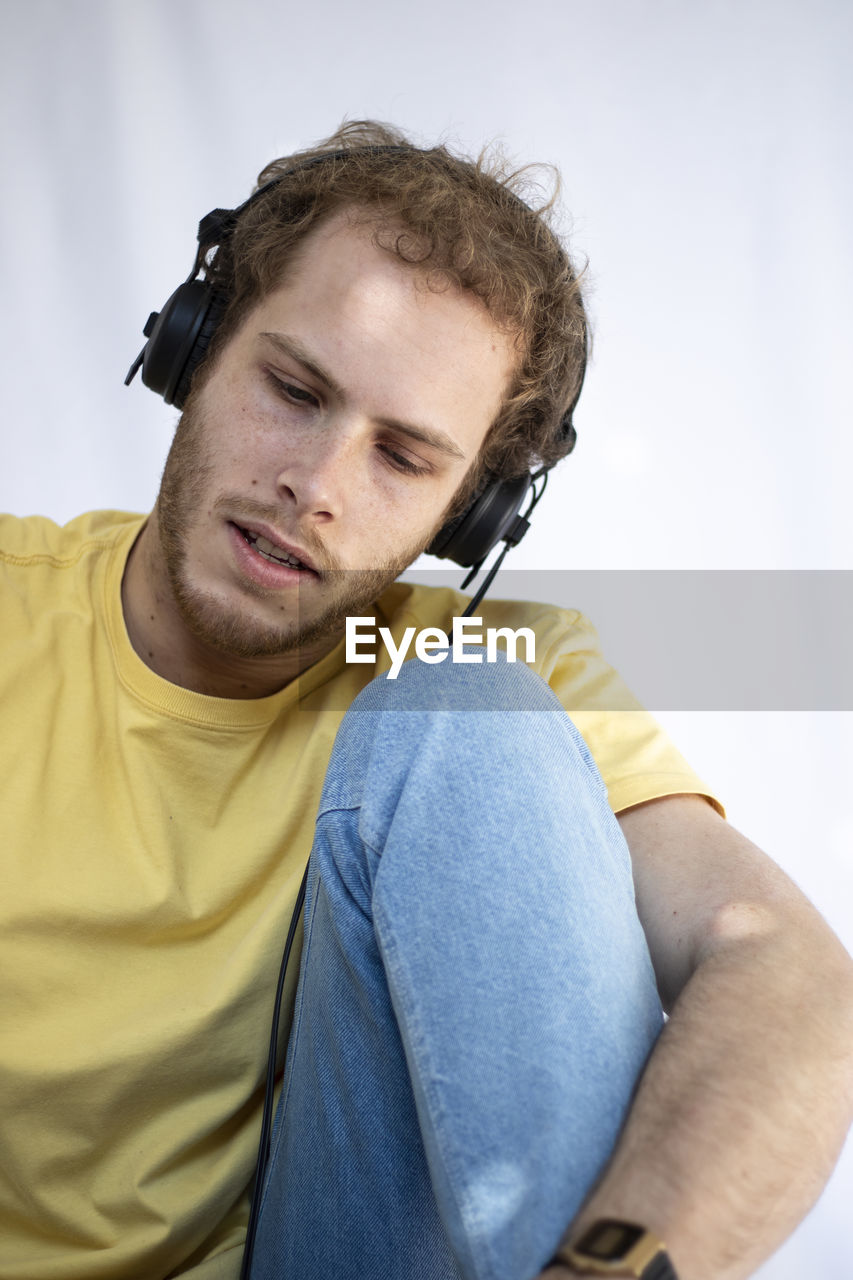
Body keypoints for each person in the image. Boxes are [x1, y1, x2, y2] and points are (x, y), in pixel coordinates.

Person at [1, 120, 851, 1280]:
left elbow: (783, 965)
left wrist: (603, 1271)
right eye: (294, 389)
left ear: (469, 511)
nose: (316, 486)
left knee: (468, 703)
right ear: (195, 348)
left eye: (402, 458)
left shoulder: (481, 672)